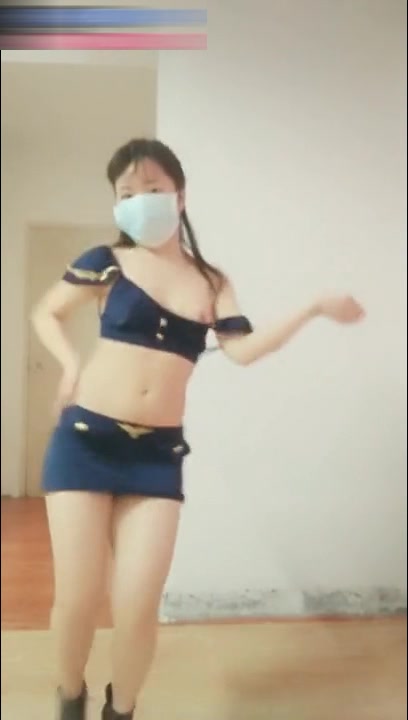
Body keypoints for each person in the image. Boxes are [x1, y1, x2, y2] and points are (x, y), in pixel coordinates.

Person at [32, 138, 365, 720]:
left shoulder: (210, 282)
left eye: (152, 188)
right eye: (126, 193)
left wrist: (312, 308)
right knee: (79, 597)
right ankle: (69, 697)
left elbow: (243, 350)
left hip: (156, 455)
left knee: (138, 605)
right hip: (84, 439)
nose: (139, 201)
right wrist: (68, 363)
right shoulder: (105, 261)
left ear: (179, 196)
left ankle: (120, 710)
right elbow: (47, 312)